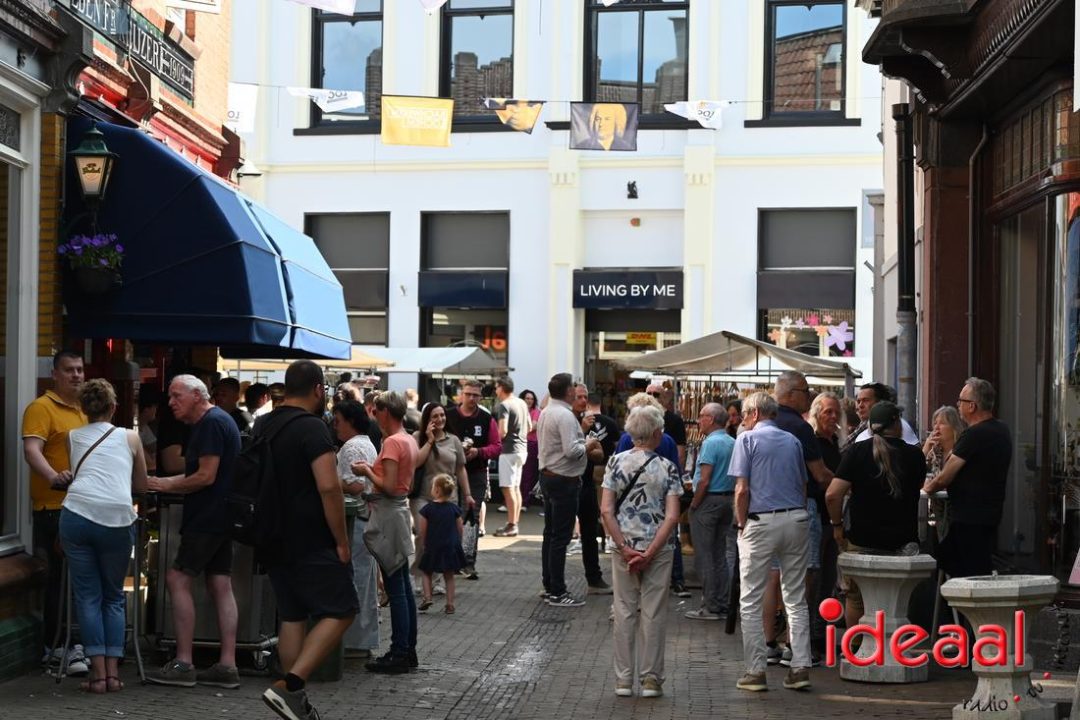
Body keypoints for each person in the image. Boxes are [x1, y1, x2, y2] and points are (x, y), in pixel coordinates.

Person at [256, 361, 356, 720]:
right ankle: (290, 686)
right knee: (343, 609)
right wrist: (341, 541)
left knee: (293, 615)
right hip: (309, 536)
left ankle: (292, 698)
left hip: (270, 534)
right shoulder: (313, 428)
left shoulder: (264, 424)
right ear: (318, 389)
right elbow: (328, 487)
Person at [146, 375, 242, 689]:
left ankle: (184, 662)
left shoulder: (210, 424)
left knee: (177, 578)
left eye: (177, 396)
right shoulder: (219, 421)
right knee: (220, 583)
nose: (171, 402)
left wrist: (165, 484)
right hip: (223, 514)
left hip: (208, 516)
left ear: (198, 396)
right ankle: (227, 665)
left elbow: (205, 476)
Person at [59, 379, 148, 693]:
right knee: (113, 596)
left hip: (76, 515)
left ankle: (96, 676)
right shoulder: (131, 437)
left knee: (87, 596)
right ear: (113, 407)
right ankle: (113, 675)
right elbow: (141, 485)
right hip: (116, 519)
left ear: (83, 408)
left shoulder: (72, 436)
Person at [731, 392, 812, 693]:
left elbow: (742, 489)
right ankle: (800, 666)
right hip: (796, 518)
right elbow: (802, 485)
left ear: (754, 413)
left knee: (751, 599)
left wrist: (741, 524)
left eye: (744, 414)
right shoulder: (793, 441)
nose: (743, 419)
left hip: (760, 520)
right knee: (795, 596)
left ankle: (755, 671)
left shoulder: (747, 440)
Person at [600, 405, 681, 699]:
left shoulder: (615, 463)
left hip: (623, 547)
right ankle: (651, 679)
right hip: (658, 548)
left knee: (624, 611)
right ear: (657, 433)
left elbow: (606, 510)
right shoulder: (668, 468)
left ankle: (623, 680)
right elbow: (672, 516)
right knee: (653, 612)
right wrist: (651, 551)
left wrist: (623, 546)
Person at [826, 401, 926, 628]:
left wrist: (837, 525)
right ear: (897, 424)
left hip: (862, 539)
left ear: (871, 426)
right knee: (897, 601)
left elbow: (832, 494)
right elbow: (919, 486)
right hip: (902, 542)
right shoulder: (915, 455)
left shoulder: (856, 451)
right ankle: (892, 645)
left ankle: (856, 645)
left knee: (856, 599)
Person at [23, 350, 89, 675]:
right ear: (55, 374)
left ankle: (74, 644)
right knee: (60, 581)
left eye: (79, 370)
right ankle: (56, 647)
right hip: (53, 508)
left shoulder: (83, 411)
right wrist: (53, 477)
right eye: (69, 370)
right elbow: (31, 449)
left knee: (76, 581)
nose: (76, 375)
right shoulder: (41, 407)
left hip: (81, 507)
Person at [352, 391, 420, 674]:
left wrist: (366, 471)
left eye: (376, 411)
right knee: (403, 585)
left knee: (396, 587)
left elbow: (389, 486)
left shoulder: (393, 442)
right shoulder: (409, 440)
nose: (374, 416)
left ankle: (399, 651)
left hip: (390, 514)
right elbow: (404, 485)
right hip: (399, 512)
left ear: (385, 412)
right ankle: (407, 649)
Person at [770, 371, 833, 665]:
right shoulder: (800, 427)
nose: (809, 396)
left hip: (764, 511)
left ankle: (768, 643)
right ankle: (794, 646)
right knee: (801, 579)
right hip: (799, 508)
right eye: (806, 391)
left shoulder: (762, 424)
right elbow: (819, 474)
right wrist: (844, 482)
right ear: (791, 394)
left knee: (772, 578)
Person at [923, 378, 1011, 578]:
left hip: (969, 516)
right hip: (989, 513)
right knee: (957, 561)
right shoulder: (1001, 430)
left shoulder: (974, 434)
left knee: (964, 572)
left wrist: (927, 488)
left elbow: (945, 476)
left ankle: (958, 599)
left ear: (972, 406)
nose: (958, 405)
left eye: (961, 401)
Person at [537, 373, 601, 608]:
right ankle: (558, 591)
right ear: (568, 391)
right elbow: (572, 451)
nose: (576, 391)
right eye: (574, 388)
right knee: (560, 538)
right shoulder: (564, 415)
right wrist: (589, 443)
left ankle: (550, 585)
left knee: (551, 535)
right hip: (563, 480)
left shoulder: (547, 411)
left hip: (550, 477)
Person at [333, 400, 379, 660]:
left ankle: (354, 642)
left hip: (358, 520)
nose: (335, 426)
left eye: (338, 421)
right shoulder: (366, 443)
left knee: (358, 581)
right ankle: (360, 641)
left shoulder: (352, 446)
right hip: (366, 519)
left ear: (350, 421)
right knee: (364, 582)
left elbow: (357, 485)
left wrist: (331, 480)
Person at [412, 402, 472, 590]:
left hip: (447, 498)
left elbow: (460, 469)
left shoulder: (453, 440)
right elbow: (416, 462)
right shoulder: (418, 437)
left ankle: (436, 581)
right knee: (422, 537)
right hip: (423, 496)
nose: (440, 419)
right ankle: (419, 577)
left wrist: (468, 494)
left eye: (442, 415)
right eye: (435, 416)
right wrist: (429, 440)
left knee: (441, 539)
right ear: (427, 420)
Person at [685, 403, 736, 621]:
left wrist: (694, 504)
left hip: (709, 501)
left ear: (711, 419)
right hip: (728, 500)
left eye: (702, 416)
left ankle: (710, 605)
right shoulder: (732, 442)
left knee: (705, 555)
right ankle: (722, 602)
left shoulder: (710, 443)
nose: (698, 420)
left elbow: (704, 480)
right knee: (720, 554)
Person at [445, 379, 501, 573]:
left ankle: (468, 561)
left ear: (480, 397)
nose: (471, 398)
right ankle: (452, 559)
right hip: (450, 474)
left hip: (476, 473)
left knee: (471, 516)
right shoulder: (448, 415)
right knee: (450, 515)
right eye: (468, 394)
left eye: (475, 395)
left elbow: (497, 447)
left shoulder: (486, 419)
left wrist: (479, 452)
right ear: (461, 394)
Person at [574, 384, 618, 593]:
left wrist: (590, 448)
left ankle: (594, 578)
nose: (583, 401)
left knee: (590, 532)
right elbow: (568, 453)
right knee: (557, 535)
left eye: (585, 397)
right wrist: (584, 438)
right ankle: (551, 584)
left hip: (587, 482)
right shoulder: (567, 420)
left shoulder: (590, 422)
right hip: (566, 483)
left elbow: (599, 453)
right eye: (579, 397)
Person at [417, 474, 467, 614]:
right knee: (449, 576)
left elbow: (423, 530)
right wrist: (458, 541)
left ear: (437, 490)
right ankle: (450, 604)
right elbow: (460, 528)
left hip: (433, 545)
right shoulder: (454, 509)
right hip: (450, 546)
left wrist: (423, 543)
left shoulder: (427, 509)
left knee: (426, 571)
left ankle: (427, 597)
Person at [492, 376, 531, 537]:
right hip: (522, 450)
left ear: (501, 388)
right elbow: (529, 426)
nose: (495, 390)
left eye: (496, 387)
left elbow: (502, 431)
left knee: (508, 488)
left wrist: (493, 439)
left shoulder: (504, 405)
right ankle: (514, 523)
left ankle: (511, 525)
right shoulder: (521, 403)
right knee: (515, 488)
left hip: (509, 450)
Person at [847, 382, 920, 447]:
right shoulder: (865, 424)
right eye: (858, 401)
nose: (860, 405)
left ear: (880, 403)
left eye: (865, 400)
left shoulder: (897, 424)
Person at [922, 405, 966, 473]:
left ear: (954, 427)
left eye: (942, 423)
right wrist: (925, 450)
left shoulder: (962, 450)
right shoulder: (933, 451)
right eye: (935, 423)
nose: (936, 427)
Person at [519, 389, 542, 507]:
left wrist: (517, 428)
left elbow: (532, 427)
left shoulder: (536, 412)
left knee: (528, 474)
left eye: (532, 399)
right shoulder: (518, 411)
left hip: (531, 444)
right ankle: (515, 501)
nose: (529, 401)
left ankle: (525, 502)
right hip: (518, 443)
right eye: (527, 398)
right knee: (517, 473)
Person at [137, 384, 160, 475]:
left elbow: (155, 448)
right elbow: (151, 465)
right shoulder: (133, 431)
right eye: (155, 406)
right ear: (146, 409)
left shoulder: (144, 427)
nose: (156, 410)